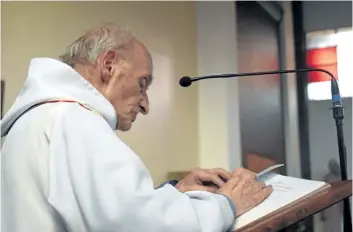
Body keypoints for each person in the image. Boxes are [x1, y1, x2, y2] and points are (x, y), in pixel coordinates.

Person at [1, 24, 272, 232]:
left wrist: (173, 195)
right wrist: (226, 204)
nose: (145, 106)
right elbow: (136, 226)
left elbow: (102, 214)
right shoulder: (73, 119)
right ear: (108, 65)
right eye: (142, 84)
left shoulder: (41, 117)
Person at [320, 159, 342, 232]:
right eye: (332, 166)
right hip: (329, 209)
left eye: (335, 165)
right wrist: (322, 213)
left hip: (338, 209)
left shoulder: (340, 178)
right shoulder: (327, 178)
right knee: (329, 228)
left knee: (337, 227)